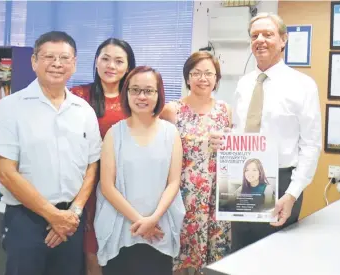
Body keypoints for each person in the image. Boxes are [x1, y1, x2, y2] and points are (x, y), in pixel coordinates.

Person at [0, 31, 101, 275]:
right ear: (34, 61)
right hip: (26, 221)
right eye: (49, 56)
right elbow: (6, 174)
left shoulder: (84, 111)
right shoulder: (10, 108)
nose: (57, 64)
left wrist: (73, 213)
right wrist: (52, 216)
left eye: (64, 58)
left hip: (71, 220)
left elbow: (92, 166)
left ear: (74, 64)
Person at [210, 13, 321, 252]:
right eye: (254, 35)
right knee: (238, 255)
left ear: (283, 40)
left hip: (281, 184)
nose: (259, 39)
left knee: (273, 257)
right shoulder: (244, 83)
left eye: (267, 34)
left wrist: (292, 194)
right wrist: (225, 139)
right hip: (242, 179)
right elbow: (241, 129)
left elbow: (311, 145)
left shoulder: (303, 85)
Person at [95, 66, 185, 275]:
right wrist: (140, 221)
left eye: (148, 90)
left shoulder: (170, 133)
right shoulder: (114, 134)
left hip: (159, 228)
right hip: (122, 229)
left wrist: (152, 220)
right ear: (126, 94)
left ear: (158, 94)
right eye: (135, 90)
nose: (141, 96)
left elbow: (173, 182)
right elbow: (107, 186)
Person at [161, 51, 231, 275]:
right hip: (184, 193)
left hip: (218, 193)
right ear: (187, 77)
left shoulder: (224, 110)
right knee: (182, 256)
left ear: (217, 78)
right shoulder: (172, 110)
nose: (203, 78)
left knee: (215, 258)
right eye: (197, 73)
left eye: (209, 73)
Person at [70, 38, 136, 275]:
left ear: (128, 67)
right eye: (105, 58)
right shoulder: (78, 96)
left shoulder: (135, 98)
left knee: (124, 248)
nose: (111, 65)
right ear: (96, 62)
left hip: (126, 184)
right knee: (92, 248)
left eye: (119, 61)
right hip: (87, 182)